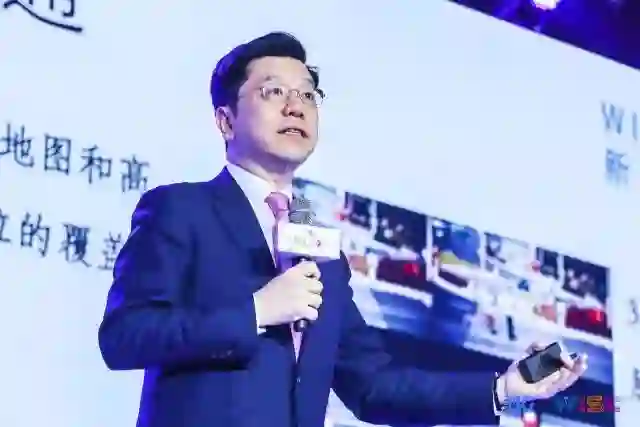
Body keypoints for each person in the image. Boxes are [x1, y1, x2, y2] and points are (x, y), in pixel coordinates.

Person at [98, 32, 587, 427]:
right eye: (273, 92)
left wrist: (502, 388)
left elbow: (373, 385)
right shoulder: (181, 208)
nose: (296, 106)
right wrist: (257, 311)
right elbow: (124, 336)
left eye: (308, 95)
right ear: (226, 121)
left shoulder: (318, 249)